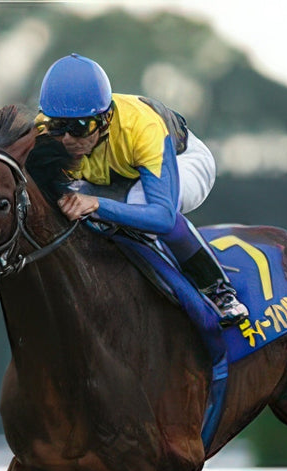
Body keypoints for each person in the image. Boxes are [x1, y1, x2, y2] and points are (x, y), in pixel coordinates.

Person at [36, 53, 248, 327]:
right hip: (117, 175)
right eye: (57, 126)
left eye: (79, 127)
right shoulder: (43, 131)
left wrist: (97, 204)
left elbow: (162, 217)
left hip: (181, 160)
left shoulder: (142, 126)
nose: (66, 139)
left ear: (105, 118)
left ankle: (219, 292)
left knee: (139, 206)